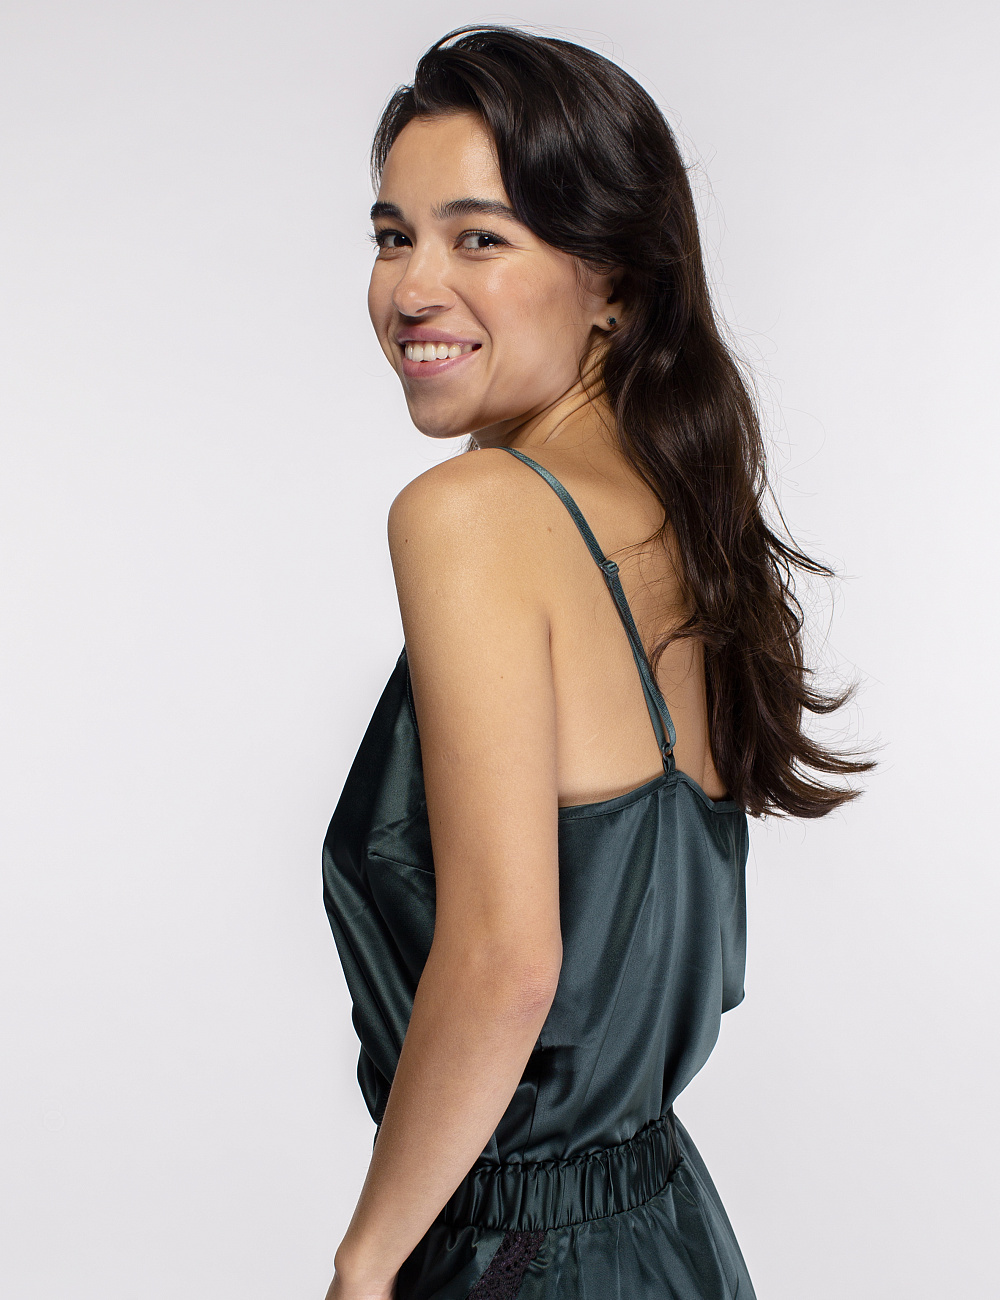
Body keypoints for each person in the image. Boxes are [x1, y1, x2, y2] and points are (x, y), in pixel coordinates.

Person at [322, 25, 872, 1300]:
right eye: (392, 236)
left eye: (478, 238)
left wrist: (364, 1263)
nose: (411, 288)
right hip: (668, 1231)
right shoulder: (685, 522)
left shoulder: (472, 516)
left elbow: (508, 962)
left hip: (510, 1254)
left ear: (612, 279)